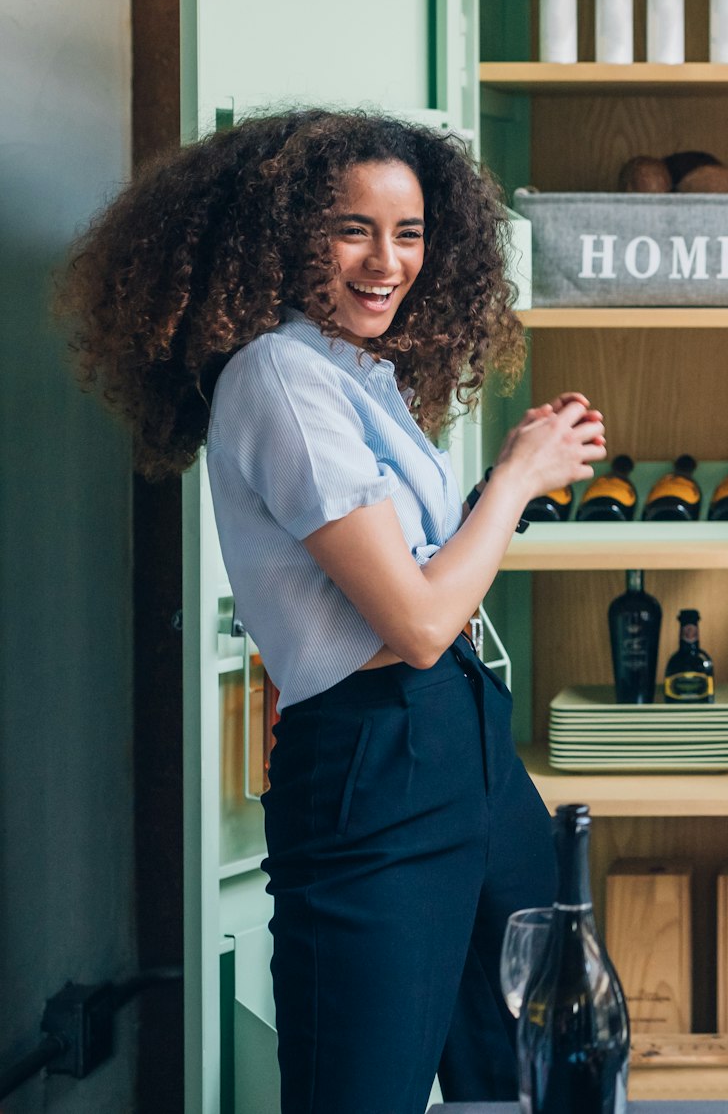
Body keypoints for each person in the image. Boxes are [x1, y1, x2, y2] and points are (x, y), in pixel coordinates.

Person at [58, 110, 605, 1113]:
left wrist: (507, 478)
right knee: (362, 1091)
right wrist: (518, 481)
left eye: (409, 231)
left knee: (542, 1070)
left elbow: (420, 569)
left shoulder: (357, 373)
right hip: (375, 757)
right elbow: (415, 621)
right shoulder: (276, 377)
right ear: (283, 236)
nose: (385, 260)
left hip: (463, 736)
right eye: (352, 228)